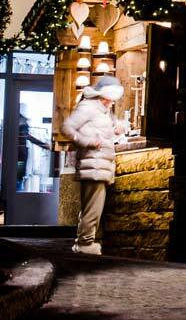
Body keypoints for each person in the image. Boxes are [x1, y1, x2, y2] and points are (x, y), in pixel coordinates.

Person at [62, 75, 129, 255]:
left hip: (98, 165)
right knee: (93, 207)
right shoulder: (90, 108)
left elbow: (102, 133)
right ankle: (85, 243)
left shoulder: (102, 111)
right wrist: (87, 141)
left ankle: (83, 242)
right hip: (94, 165)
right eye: (111, 99)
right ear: (105, 95)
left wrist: (115, 130)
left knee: (91, 207)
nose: (113, 103)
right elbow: (67, 128)